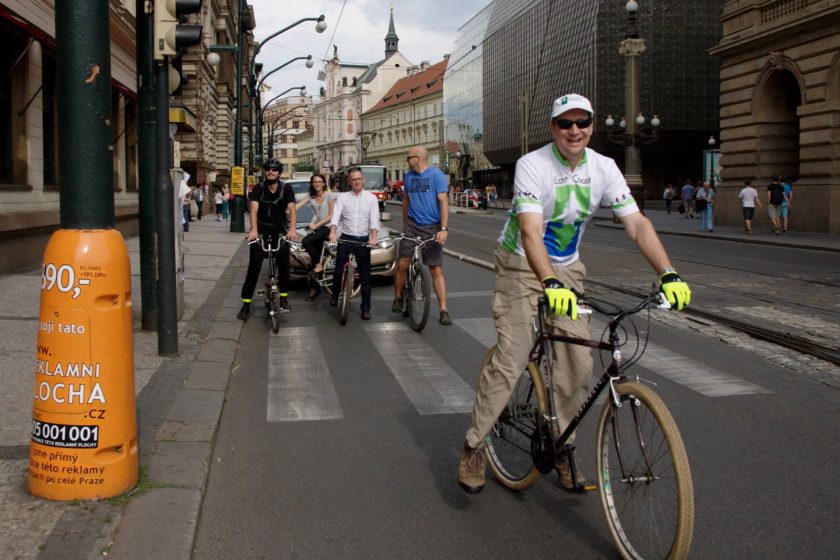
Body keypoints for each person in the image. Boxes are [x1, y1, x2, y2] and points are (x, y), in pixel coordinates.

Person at [456, 93, 691, 494]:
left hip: (568, 268)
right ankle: (475, 445)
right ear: (554, 129)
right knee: (512, 359)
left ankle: (563, 446)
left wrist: (668, 273)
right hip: (520, 264)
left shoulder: (605, 168)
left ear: (592, 127)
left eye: (582, 123)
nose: (575, 131)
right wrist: (548, 281)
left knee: (578, 368)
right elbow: (530, 231)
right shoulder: (534, 165)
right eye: (566, 124)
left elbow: (636, 223)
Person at [392, 146, 453, 325]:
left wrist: (443, 228)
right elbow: (406, 200)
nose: (406, 160)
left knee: (435, 268)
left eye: (408, 157)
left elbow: (444, 203)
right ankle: (398, 297)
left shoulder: (436, 176)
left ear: (418, 158)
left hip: (432, 226)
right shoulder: (409, 176)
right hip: (412, 224)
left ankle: (443, 309)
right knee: (402, 263)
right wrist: (405, 224)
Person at [237, 159, 297, 320]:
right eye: (268, 169)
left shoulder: (286, 188)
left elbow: (291, 209)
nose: (270, 172)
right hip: (261, 230)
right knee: (254, 266)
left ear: (279, 173)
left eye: (274, 170)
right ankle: (246, 304)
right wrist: (254, 229)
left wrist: (292, 229)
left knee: (284, 263)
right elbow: (253, 208)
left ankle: (283, 298)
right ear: (265, 172)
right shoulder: (259, 188)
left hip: (279, 230)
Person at [328, 168, 380, 320]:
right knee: (338, 269)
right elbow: (336, 215)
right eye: (353, 179)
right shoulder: (343, 197)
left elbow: (374, 219)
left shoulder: (371, 198)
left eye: (359, 179)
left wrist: (374, 237)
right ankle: (335, 294)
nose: (356, 182)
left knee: (365, 276)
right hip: (346, 237)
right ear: (349, 182)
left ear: (363, 180)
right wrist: (332, 232)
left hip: (363, 239)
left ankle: (365, 309)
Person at [297, 173, 335, 301]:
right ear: (312, 184)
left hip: (328, 227)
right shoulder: (311, 196)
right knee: (313, 259)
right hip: (318, 229)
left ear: (324, 183)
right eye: (315, 182)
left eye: (320, 181)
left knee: (306, 241)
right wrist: (286, 211)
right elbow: (297, 206)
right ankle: (314, 290)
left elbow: (330, 215)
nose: (317, 184)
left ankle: (319, 266)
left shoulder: (330, 195)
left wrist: (315, 225)